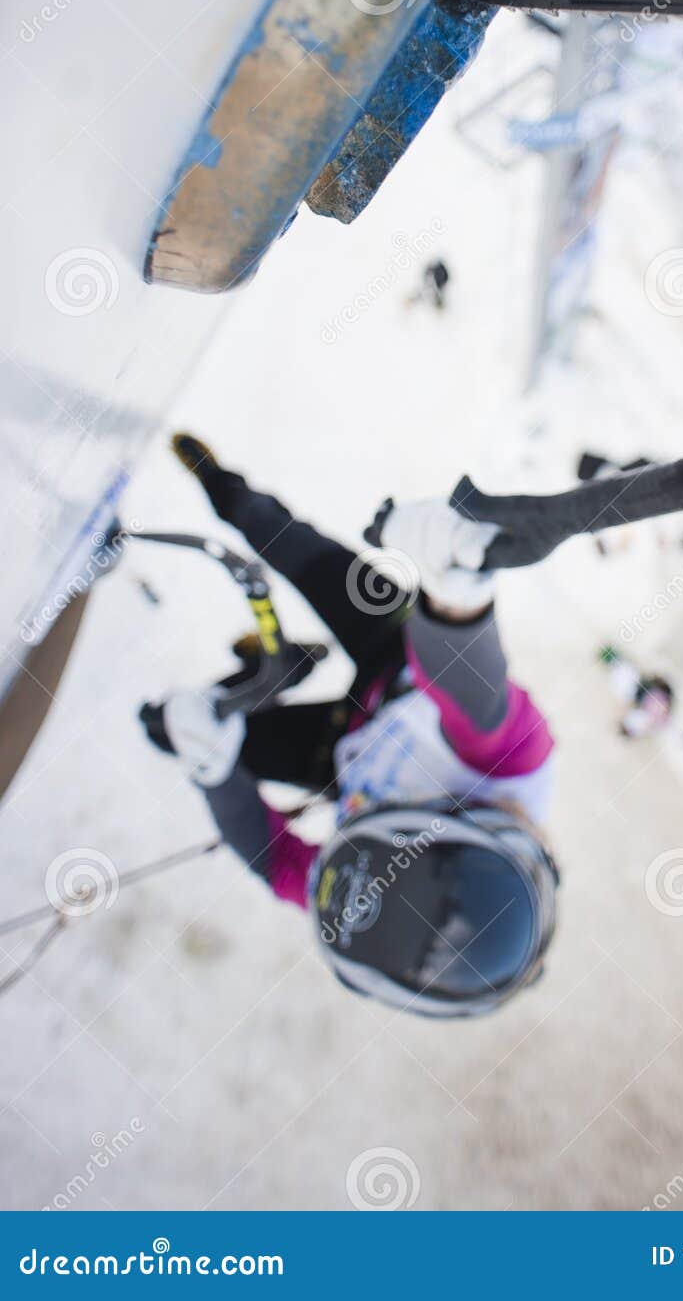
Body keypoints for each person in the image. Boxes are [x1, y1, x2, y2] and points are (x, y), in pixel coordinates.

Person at [141, 435, 558, 1019]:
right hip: (401, 654)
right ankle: (223, 487)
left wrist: (213, 771)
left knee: (169, 729)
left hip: (343, 746)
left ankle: (284, 666)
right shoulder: (515, 766)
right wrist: (455, 599)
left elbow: (276, 862)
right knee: (279, 538)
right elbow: (470, 687)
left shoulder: (383, 889)